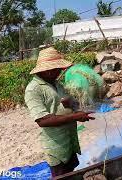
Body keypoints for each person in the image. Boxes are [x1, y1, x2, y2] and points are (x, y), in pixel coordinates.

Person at [24, 47, 95, 178]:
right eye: (57, 69)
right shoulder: (33, 89)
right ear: (48, 70)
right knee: (62, 176)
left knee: (73, 173)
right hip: (57, 146)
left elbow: (62, 102)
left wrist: (72, 104)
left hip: (70, 142)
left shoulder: (55, 84)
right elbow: (42, 120)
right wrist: (75, 116)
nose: (60, 72)